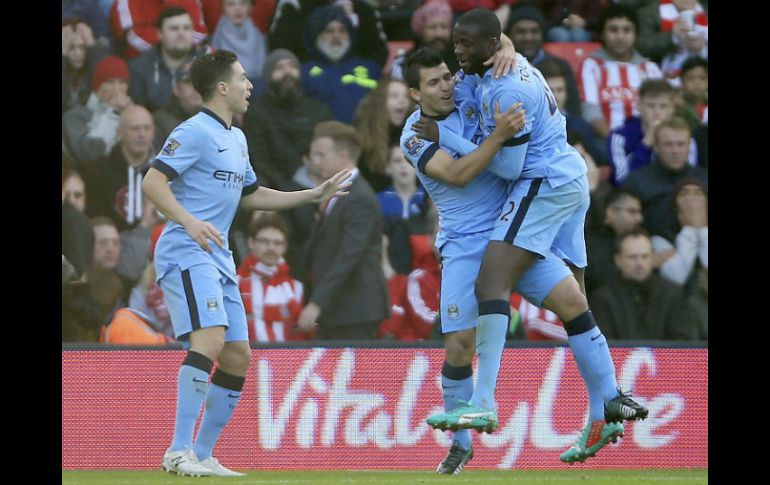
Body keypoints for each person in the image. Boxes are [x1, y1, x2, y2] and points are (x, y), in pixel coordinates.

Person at [425, 9, 648, 464]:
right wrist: (505, 44)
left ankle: (483, 402)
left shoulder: (505, 88)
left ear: (490, 45)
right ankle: (605, 402)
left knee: (492, 282)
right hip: (567, 177)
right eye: (456, 44)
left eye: (466, 46)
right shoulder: (497, 65)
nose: (458, 54)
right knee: (574, 300)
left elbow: (505, 167)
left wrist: (474, 140)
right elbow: (480, 70)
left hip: (542, 182)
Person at [141, 50, 351, 477]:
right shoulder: (194, 131)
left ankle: (201, 453)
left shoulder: (236, 137)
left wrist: (310, 196)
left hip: (217, 255)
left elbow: (249, 195)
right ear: (222, 87)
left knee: (238, 355)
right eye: (241, 78)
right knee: (211, 340)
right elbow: (152, 180)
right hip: (186, 247)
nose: (249, 85)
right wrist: (189, 220)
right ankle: (176, 450)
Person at [400, 46, 528, 474]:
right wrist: (497, 136)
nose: (446, 87)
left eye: (446, 77)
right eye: (433, 83)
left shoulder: (470, 92)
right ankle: (460, 444)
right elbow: (457, 174)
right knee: (458, 344)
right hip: (463, 242)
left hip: (512, 228)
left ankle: (606, 397)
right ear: (415, 93)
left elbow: (488, 39)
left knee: (571, 303)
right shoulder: (414, 134)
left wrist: (506, 45)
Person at [297, 121, 390, 340]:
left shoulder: (359, 198)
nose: (315, 161)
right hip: (337, 309)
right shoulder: (338, 193)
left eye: (321, 155)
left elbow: (349, 255)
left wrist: (317, 302)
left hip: (355, 310)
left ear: (343, 157)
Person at [590, 228, 698, 340]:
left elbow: (682, 341)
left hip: (666, 357)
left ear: (652, 258)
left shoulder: (672, 294)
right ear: (618, 260)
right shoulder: (603, 298)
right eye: (632, 257)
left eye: (644, 256)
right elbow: (604, 343)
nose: (639, 263)